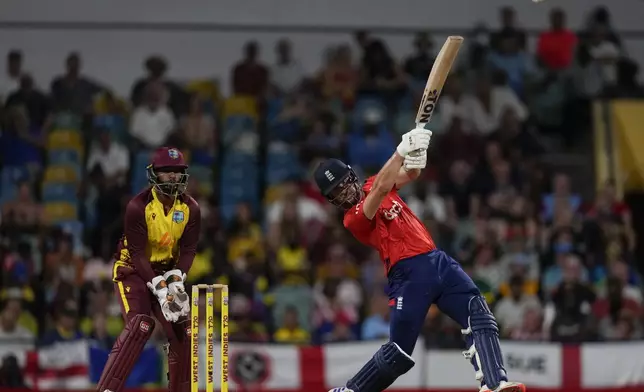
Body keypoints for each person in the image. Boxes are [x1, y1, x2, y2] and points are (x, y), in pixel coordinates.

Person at [314, 127, 526, 392]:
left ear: (352, 175)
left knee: (478, 312)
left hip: (437, 260)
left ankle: (494, 383)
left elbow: (409, 175)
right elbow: (380, 189)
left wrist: (415, 158)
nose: (345, 192)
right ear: (332, 201)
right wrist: (401, 150)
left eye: (345, 183)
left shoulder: (372, 183)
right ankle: (351, 390)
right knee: (399, 353)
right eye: (337, 192)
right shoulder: (352, 218)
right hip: (408, 273)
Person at [96, 147, 201, 392]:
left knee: (184, 330)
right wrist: (161, 288)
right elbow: (137, 254)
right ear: (154, 174)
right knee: (141, 325)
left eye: (177, 172)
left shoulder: (191, 208)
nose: (173, 177)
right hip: (132, 270)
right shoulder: (138, 206)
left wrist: (176, 279)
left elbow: (188, 250)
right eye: (167, 172)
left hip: (166, 270)